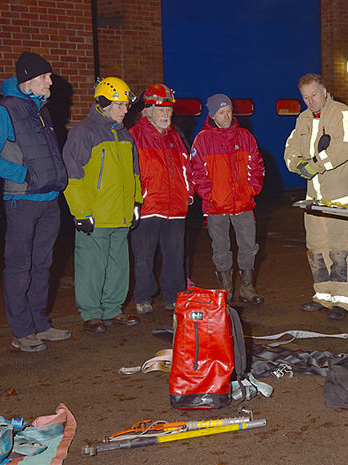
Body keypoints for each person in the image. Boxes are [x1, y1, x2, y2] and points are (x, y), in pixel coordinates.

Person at [0, 52, 71, 353]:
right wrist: (22, 175)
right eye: (46, 77)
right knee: (20, 266)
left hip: (48, 198)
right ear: (29, 80)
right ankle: (21, 331)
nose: (51, 81)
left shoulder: (41, 109)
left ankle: (40, 324)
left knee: (42, 265)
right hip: (22, 199)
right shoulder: (4, 111)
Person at [62, 77, 142, 333]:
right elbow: (72, 176)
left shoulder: (124, 135)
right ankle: (91, 313)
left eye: (126, 105)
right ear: (103, 103)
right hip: (95, 215)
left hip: (120, 213)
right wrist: (81, 212)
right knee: (91, 265)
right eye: (119, 105)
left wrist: (136, 202)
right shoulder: (83, 132)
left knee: (119, 264)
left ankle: (113, 309)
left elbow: (134, 173)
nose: (125, 110)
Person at [284, 73, 348, 320]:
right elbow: (291, 149)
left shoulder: (341, 114)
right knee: (317, 250)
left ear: (325, 91)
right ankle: (323, 296)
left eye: (314, 95)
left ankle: (341, 301)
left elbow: (345, 145)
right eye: (306, 97)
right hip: (314, 201)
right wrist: (297, 164)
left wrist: (315, 164)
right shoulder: (303, 119)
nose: (310, 101)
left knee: (341, 251)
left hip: (343, 200)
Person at [189, 94, 265, 305]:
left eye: (229, 111)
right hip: (216, 207)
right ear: (212, 115)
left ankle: (247, 289)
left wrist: (252, 189)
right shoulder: (202, 139)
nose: (226, 116)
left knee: (249, 246)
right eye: (221, 113)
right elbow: (196, 171)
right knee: (221, 248)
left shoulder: (245, 136)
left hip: (243, 203)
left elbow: (257, 165)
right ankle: (226, 289)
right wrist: (209, 195)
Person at [129, 84, 192, 314]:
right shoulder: (134, 136)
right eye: (161, 109)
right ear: (147, 110)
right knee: (144, 257)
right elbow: (129, 172)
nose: (166, 114)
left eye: (168, 110)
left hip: (176, 207)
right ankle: (143, 297)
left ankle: (174, 296)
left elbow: (187, 168)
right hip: (148, 207)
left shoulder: (176, 137)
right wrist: (136, 199)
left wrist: (188, 194)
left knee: (176, 257)